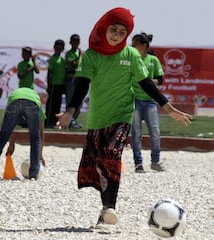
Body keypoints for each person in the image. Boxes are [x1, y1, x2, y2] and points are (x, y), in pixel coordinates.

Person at [56, 7, 192, 227]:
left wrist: (169, 108)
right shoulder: (91, 55)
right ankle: (105, 209)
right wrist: (70, 111)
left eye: (122, 31)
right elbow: (81, 85)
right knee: (101, 165)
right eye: (113, 29)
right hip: (98, 118)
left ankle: (110, 207)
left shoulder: (130, 55)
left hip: (122, 115)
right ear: (104, 27)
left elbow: (146, 83)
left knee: (112, 156)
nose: (117, 35)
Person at [0, 87, 46, 180]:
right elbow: (40, 134)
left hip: (14, 102)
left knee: (2, 138)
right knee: (35, 138)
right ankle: (33, 174)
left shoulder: (14, 94)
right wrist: (40, 154)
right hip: (31, 104)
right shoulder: (36, 99)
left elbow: (9, 128)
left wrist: (11, 143)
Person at [131, 32, 165, 173]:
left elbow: (160, 80)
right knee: (136, 133)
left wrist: (148, 83)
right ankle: (138, 164)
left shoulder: (153, 60)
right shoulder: (132, 59)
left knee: (155, 133)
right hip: (135, 101)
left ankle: (155, 161)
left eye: (135, 45)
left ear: (144, 46)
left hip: (150, 101)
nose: (132, 48)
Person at [45, 39, 66, 128]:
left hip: (61, 85)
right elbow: (49, 73)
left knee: (57, 104)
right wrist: (49, 86)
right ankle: (48, 122)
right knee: (51, 104)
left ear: (63, 49)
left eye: (60, 47)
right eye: (57, 47)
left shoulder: (62, 59)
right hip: (54, 84)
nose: (58, 49)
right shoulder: (52, 59)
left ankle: (54, 122)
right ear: (54, 47)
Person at [65, 34, 83, 129]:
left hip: (79, 79)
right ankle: (69, 120)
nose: (75, 43)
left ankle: (74, 119)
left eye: (77, 41)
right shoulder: (70, 53)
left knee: (79, 101)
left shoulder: (79, 53)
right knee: (71, 100)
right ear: (70, 42)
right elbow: (74, 65)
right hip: (71, 79)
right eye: (74, 41)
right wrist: (79, 55)